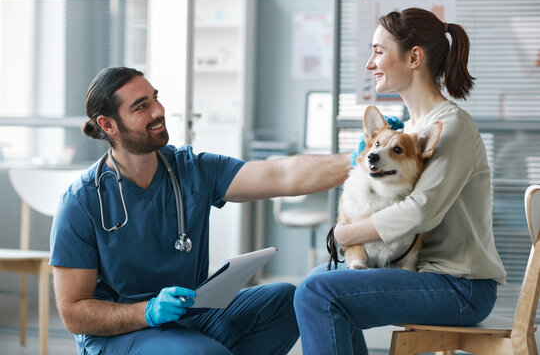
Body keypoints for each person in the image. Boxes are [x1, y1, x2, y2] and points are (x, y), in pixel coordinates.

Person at [50, 66, 352, 354]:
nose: (158, 111)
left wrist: (361, 159)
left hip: (188, 317)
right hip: (120, 336)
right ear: (108, 125)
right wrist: (148, 312)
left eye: (155, 98)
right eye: (141, 107)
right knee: (201, 352)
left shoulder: (191, 168)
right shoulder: (83, 201)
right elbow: (74, 313)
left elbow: (281, 175)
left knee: (286, 301)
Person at [293, 7, 507, 355]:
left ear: (414, 57)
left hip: (461, 288)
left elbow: (421, 211)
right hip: (423, 275)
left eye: (378, 52)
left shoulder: (450, 127)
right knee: (318, 281)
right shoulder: (408, 132)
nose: (369, 63)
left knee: (318, 293)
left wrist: (345, 234)